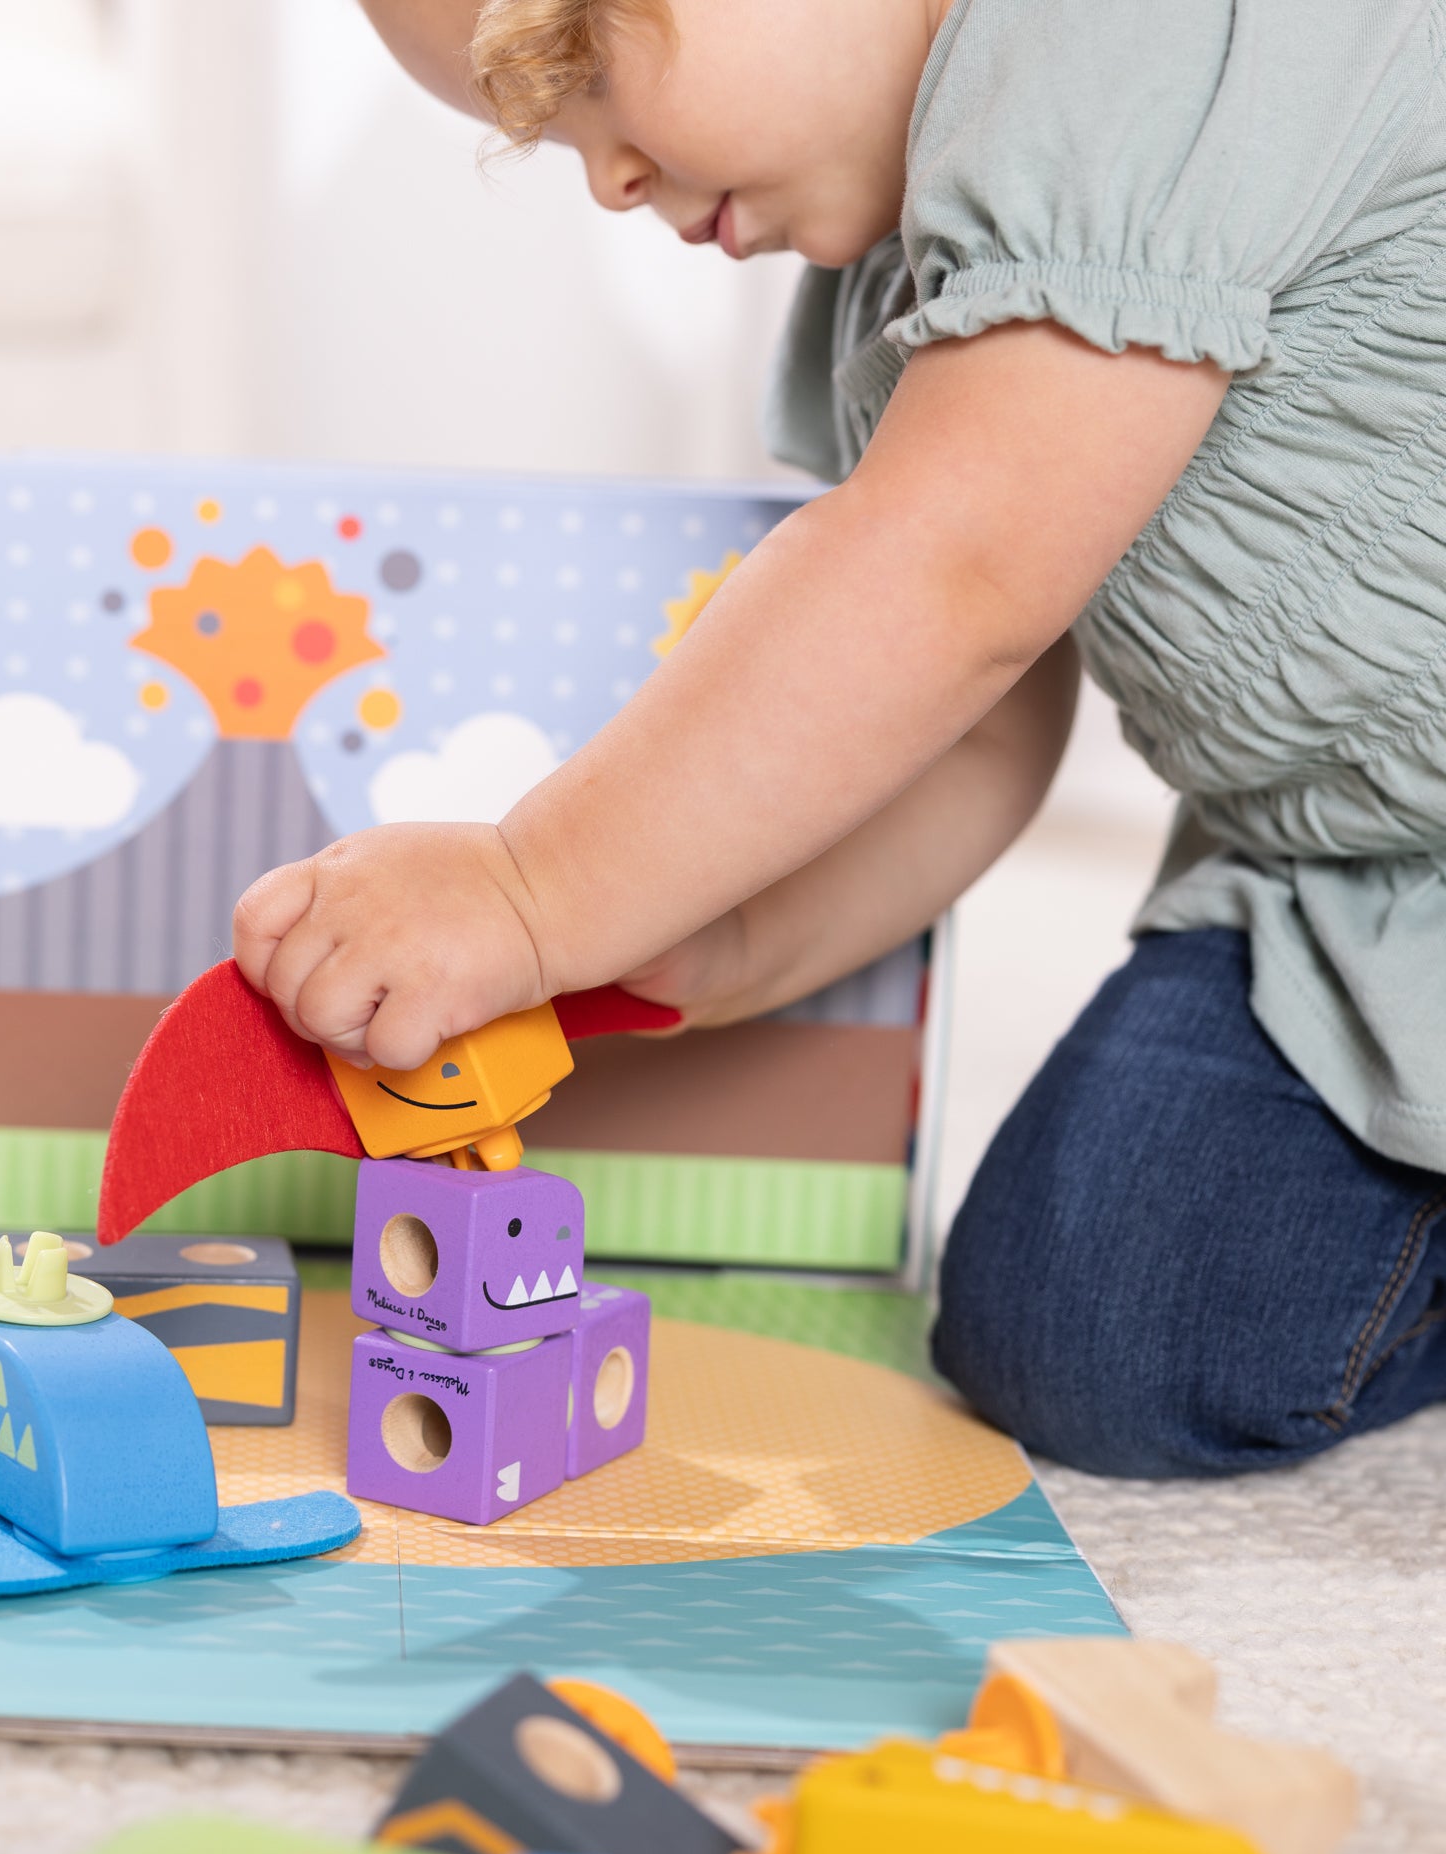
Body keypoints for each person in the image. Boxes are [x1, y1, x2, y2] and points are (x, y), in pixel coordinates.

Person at [235, 0, 1446, 1477]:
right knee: (1081, 1328)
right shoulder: (912, 271)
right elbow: (972, 717)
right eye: (551, 139)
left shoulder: (1129, 39)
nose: (608, 180)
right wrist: (727, 931)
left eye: (583, 74)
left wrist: (532, 888)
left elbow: (954, 581)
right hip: (1348, 892)